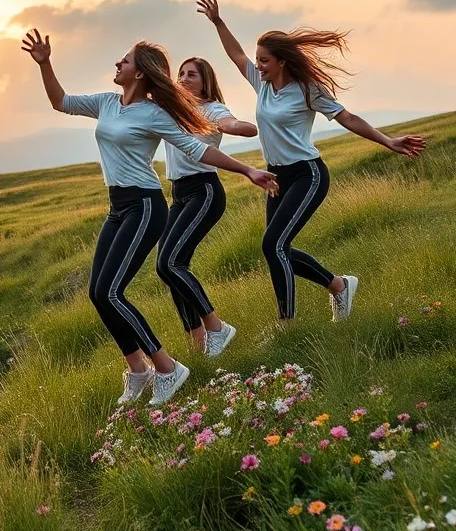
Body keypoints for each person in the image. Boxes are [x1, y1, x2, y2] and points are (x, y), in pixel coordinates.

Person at [22, 29, 280, 406]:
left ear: (139, 73)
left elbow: (196, 149)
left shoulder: (155, 113)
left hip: (145, 205)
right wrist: (46, 64)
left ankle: (167, 368)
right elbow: (60, 101)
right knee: (99, 292)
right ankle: (140, 371)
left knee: (113, 291)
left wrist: (247, 170)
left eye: (124, 60)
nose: (117, 63)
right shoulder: (107, 103)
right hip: (118, 207)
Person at [196, 0, 426, 324]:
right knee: (275, 248)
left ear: (282, 62)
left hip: (307, 174)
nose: (257, 66)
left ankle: (286, 325)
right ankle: (339, 285)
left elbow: (347, 118)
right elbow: (235, 55)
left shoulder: (307, 89)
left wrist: (388, 141)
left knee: (274, 245)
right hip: (277, 177)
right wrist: (218, 21)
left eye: (264, 61)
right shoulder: (262, 85)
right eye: (258, 60)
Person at [158, 57, 257, 356]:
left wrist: (238, 127)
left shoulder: (212, 109)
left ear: (206, 82)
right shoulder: (171, 109)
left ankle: (217, 328)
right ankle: (200, 344)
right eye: (181, 73)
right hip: (178, 194)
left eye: (192, 75)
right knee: (168, 268)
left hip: (204, 192)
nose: (185, 78)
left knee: (170, 263)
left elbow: (230, 122)